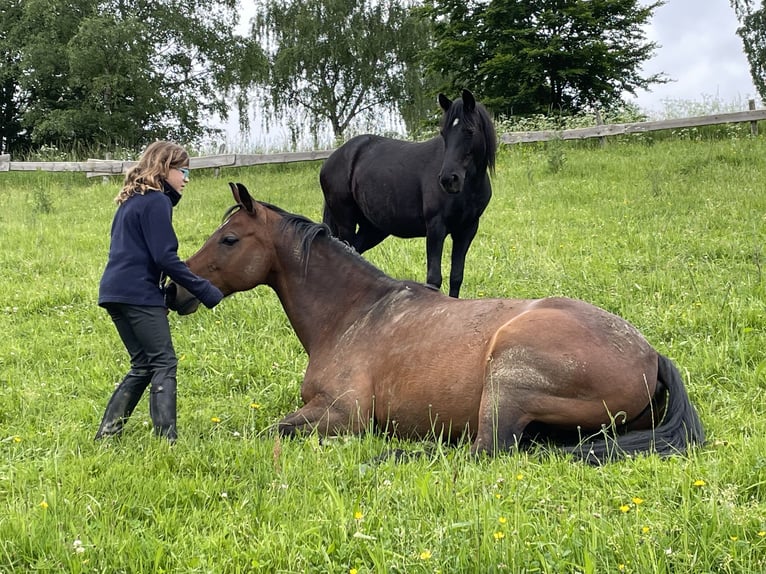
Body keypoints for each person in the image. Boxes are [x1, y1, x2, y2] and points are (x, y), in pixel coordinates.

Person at [95, 141, 223, 443]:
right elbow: (165, 257)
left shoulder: (132, 200)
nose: (187, 178)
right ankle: (167, 440)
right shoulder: (156, 201)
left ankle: (107, 435)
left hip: (114, 291)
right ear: (165, 168)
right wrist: (205, 290)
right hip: (137, 294)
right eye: (183, 170)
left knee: (142, 364)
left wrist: (159, 291)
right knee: (164, 363)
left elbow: (137, 253)